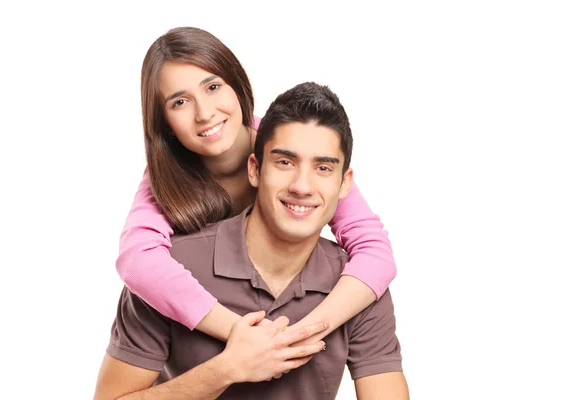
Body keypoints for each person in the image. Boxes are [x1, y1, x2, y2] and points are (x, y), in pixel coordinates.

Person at [95, 81, 408, 399]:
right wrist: (226, 369)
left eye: (323, 168)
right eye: (285, 162)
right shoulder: (167, 274)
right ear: (255, 169)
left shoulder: (359, 287)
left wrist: (299, 335)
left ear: (345, 185)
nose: (302, 185)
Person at [117, 26, 396, 349]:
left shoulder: (291, 146)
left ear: (237, 84)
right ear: (163, 120)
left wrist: (303, 333)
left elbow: (375, 252)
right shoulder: (165, 173)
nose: (205, 114)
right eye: (180, 102)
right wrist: (245, 335)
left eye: (213, 87)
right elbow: (137, 261)